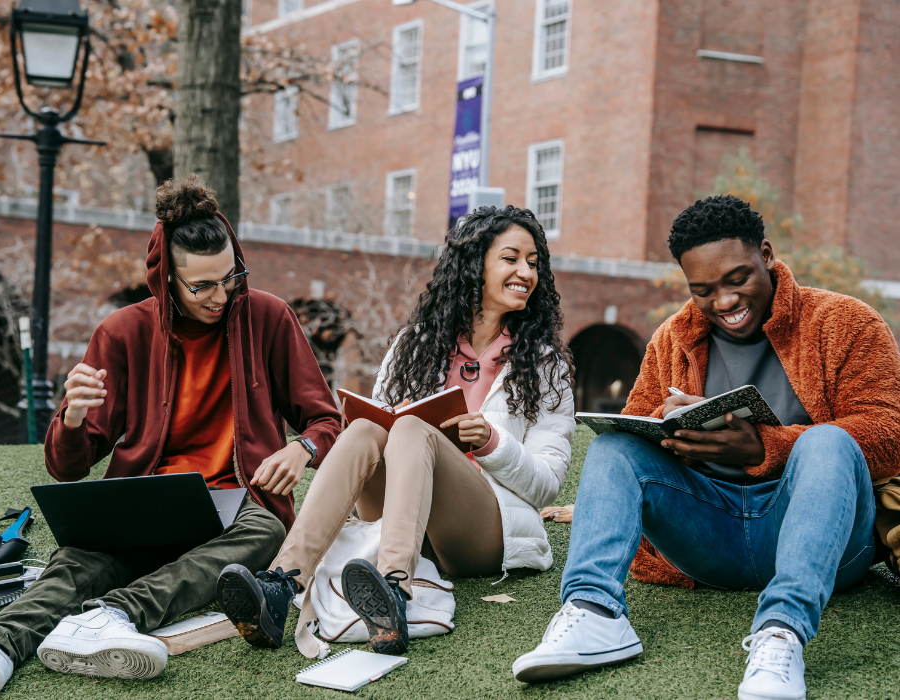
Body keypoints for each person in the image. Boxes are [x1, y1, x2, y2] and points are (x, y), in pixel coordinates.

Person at [0, 175, 342, 698]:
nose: (222, 295)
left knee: (268, 532)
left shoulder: (268, 317)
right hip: (147, 497)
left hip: (236, 501)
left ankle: (112, 616)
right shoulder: (122, 332)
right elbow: (68, 467)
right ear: (167, 280)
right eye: (202, 286)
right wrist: (70, 418)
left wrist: (302, 446)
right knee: (81, 558)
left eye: (231, 277)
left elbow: (326, 421)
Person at [513, 195, 900, 700]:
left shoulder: (845, 323)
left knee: (830, 441)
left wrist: (766, 446)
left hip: (822, 541)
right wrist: (677, 431)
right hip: (709, 535)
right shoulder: (674, 337)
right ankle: (594, 613)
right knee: (615, 449)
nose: (723, 302)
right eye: (703, 289)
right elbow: (638, 421)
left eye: (737, 279)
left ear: (766, 254)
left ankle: (780, 633)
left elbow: (889, 432)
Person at [215, 205, 576, 656]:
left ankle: (393, 592)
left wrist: (491, 442)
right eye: (511, 258)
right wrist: (390, 416)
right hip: (399, 515)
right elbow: (379, 430)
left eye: (533, 262)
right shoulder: (416, 345)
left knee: (411, 431)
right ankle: (281, 584)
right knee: (369, 427)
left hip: (482, 530)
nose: (525, 271)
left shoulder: (544, 364)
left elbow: (545, 485)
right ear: (475, 264)